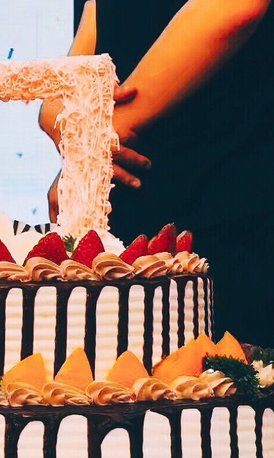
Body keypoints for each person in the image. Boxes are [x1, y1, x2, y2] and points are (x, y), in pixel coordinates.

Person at [40, 0, 273, 346]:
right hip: (124, 236)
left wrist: (94, 142)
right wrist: (68, 128)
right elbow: (86, 48)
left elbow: (236, 9)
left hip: (231, 220)